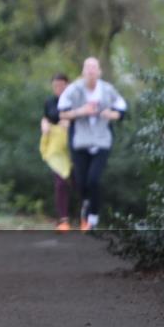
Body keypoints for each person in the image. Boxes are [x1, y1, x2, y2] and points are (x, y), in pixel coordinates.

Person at [58, 57, 127, 231]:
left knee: (94, 179)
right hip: (80, 140)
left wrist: (110, 114)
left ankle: (93, 218)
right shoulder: (74, 90)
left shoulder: (108, 89)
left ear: (99, 71)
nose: (90, 71)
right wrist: (82, 111)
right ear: (82, 72)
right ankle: (86, 204)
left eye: (94, 68)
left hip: (102, 140)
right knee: (81, 182)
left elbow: (121, 110)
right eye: (87, 67)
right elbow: (62, 114)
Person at [40, 73, 73, 231]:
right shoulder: (50, 102)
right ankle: (63, 220)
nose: (59, 89)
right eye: (55, 86)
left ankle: (86, 218)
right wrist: (44, 123)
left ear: (68, 85)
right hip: (57, 148)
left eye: (62, 85)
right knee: (60, 183)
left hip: (75, 147)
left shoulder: (76, 101)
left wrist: (70, 123)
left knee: (79, 182)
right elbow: (46, 117)